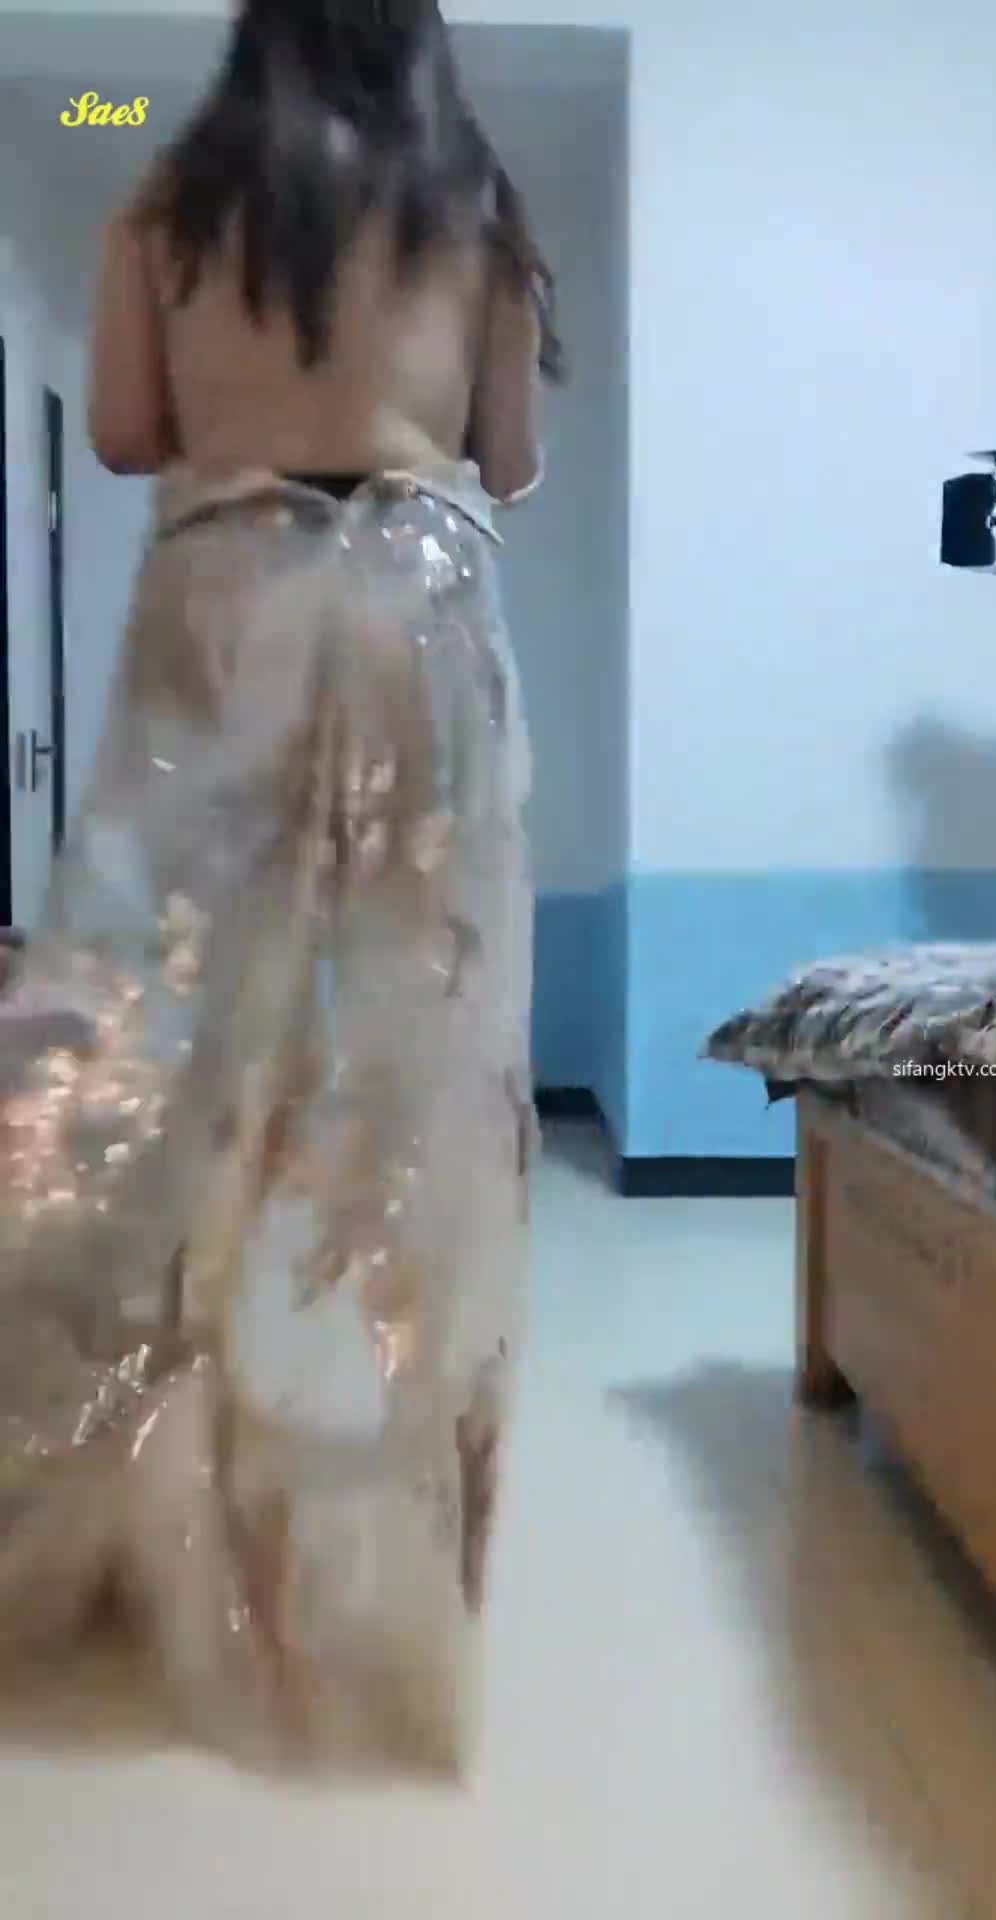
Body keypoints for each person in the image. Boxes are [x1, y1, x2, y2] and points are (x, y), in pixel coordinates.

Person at [0, 0, 560, 1775]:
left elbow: (121, 433)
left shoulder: (165, 198)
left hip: (229, 591)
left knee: (150, 1036)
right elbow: (511, 460)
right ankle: (380, 1551)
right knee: (421, 1076)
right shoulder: (472, 203)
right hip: (418, 606)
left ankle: (119, 1488)